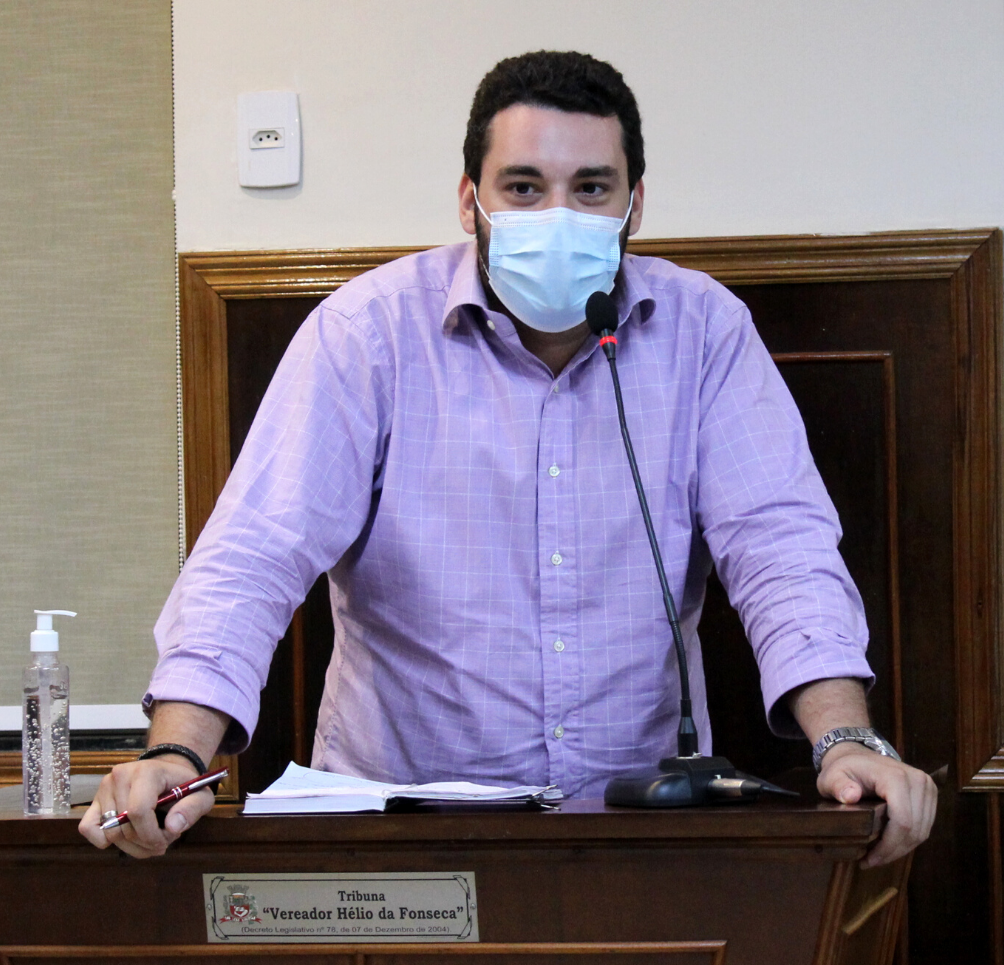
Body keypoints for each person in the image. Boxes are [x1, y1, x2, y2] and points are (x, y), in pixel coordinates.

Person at [80, 50, 936, 864]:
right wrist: (178, 752)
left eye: (590, 188)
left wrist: (844, 738)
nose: (556, 216)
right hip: (398, 838)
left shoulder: (704, 332)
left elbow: (780, 547)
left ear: (634, 206)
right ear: (470, 201)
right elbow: (255, 552)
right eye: (523, 188)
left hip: (635, 836)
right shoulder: (365, 335)